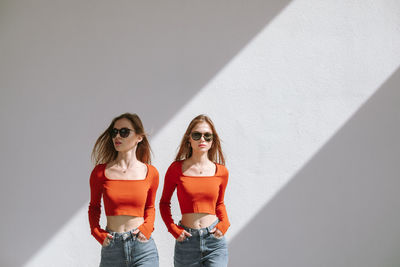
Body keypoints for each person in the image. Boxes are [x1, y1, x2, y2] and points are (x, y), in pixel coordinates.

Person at [88, 113, 159, 267]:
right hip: (112, 248)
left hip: (143, 249)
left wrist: (146, 229)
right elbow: (94, 207)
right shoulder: (100, 172)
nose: (117, 136)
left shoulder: (151, 172)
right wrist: (97, 233)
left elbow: (150, 208)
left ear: (139, 137)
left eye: (124, 132)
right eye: (114, 132)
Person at [160, 114, 230, 267]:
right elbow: (164, 203)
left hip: (214, 242)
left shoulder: (221, 171)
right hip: (187, 242)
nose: (202, 140)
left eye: (207, 136)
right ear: (189, 139)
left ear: (213, 141)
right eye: (197, 135)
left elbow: (219, 204)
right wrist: (173, 229)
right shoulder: (176, 169)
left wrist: (225, 223)